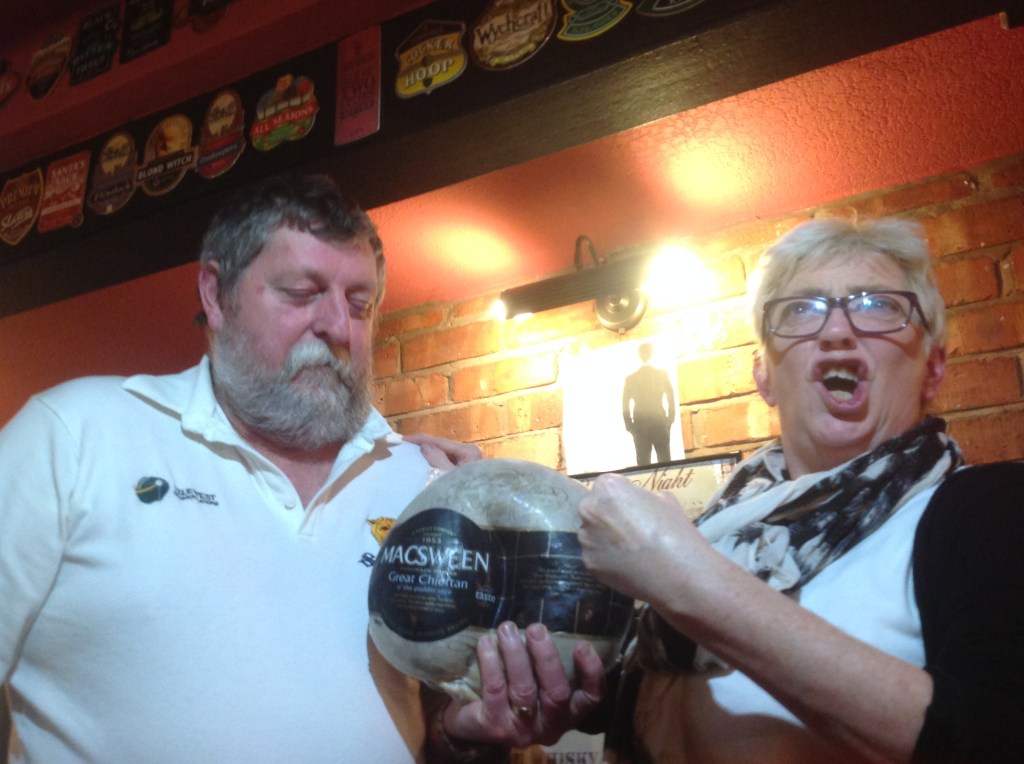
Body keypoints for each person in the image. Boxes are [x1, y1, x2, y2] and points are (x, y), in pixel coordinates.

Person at [0, 174, 605, 763]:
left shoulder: (422, 484)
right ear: (216, 294)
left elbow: (429, 727)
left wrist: (472, 730)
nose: (338, 327)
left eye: (360, 304)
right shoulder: (75, 433)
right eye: (301, 293)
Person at [577, 217, 1024, 762]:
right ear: (763, 374)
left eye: (878, 305)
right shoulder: (718, 530)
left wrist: (688, 580)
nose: (837, 330)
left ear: (933, 368)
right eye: (801, 309)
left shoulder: (987, 511)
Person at [622, 342, 675, 466]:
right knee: (663, 461)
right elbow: (670, 398)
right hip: (656, 421)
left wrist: (629, 424)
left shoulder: (631, 378)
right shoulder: (661, 375)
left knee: (645, 463)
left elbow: (625, 403)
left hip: (644, 424)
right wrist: (669, 419)